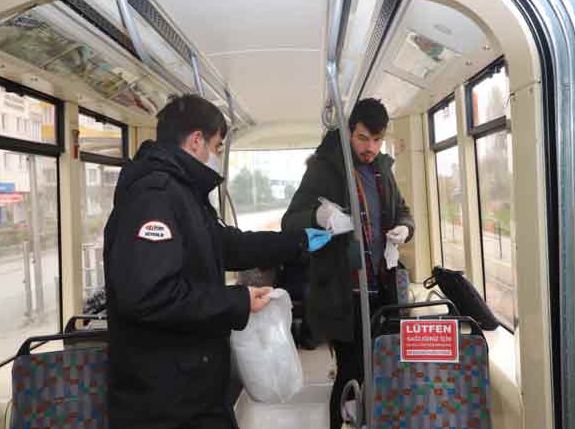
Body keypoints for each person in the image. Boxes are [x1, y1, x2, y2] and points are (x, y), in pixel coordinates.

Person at [103, 94, 331, 429]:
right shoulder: (154, 197)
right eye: (218, 146)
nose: (218, 155)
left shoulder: (184, 193)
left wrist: (298, 242)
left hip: (190, 382)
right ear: (196, 141)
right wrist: (237, 301)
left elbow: (229, 245)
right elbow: (150, 296)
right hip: (163, 399)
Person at [281, 98, 414, 429]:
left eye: (378, 139)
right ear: (349, 132)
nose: (371, 148)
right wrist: (317, 215)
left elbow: (403, 211)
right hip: (343, 291)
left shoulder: (382, 169)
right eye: (363, 138)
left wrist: (405, 229)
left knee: (382, 368)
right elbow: (290, 221)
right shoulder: (324, 168)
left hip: (382, 290)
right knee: (352, 369)